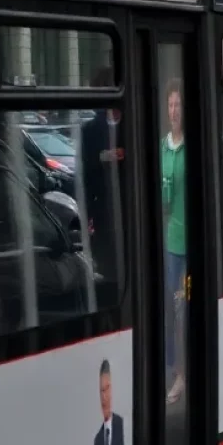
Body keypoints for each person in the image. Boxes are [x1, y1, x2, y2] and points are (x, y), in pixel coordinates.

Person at [81, 68, 125, 302]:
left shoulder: (133, 124)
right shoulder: (89, 130)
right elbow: (85, 172)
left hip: (129, 212)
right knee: (107, 271)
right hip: (103, 214)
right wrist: (102, 157)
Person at [161, 78, 186, 405]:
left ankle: (185, 373)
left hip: (193, 242)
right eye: (170, 104)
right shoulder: (164, 147)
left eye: (179, 104)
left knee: (187, 312)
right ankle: (179, 372)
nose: (174, 110)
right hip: (172, 243)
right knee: (174, 310)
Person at [88, 359, 125, 445]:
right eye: (101, 391)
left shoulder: (120, 424)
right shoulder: (98, 439)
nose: (104, 397)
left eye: (107, 388)